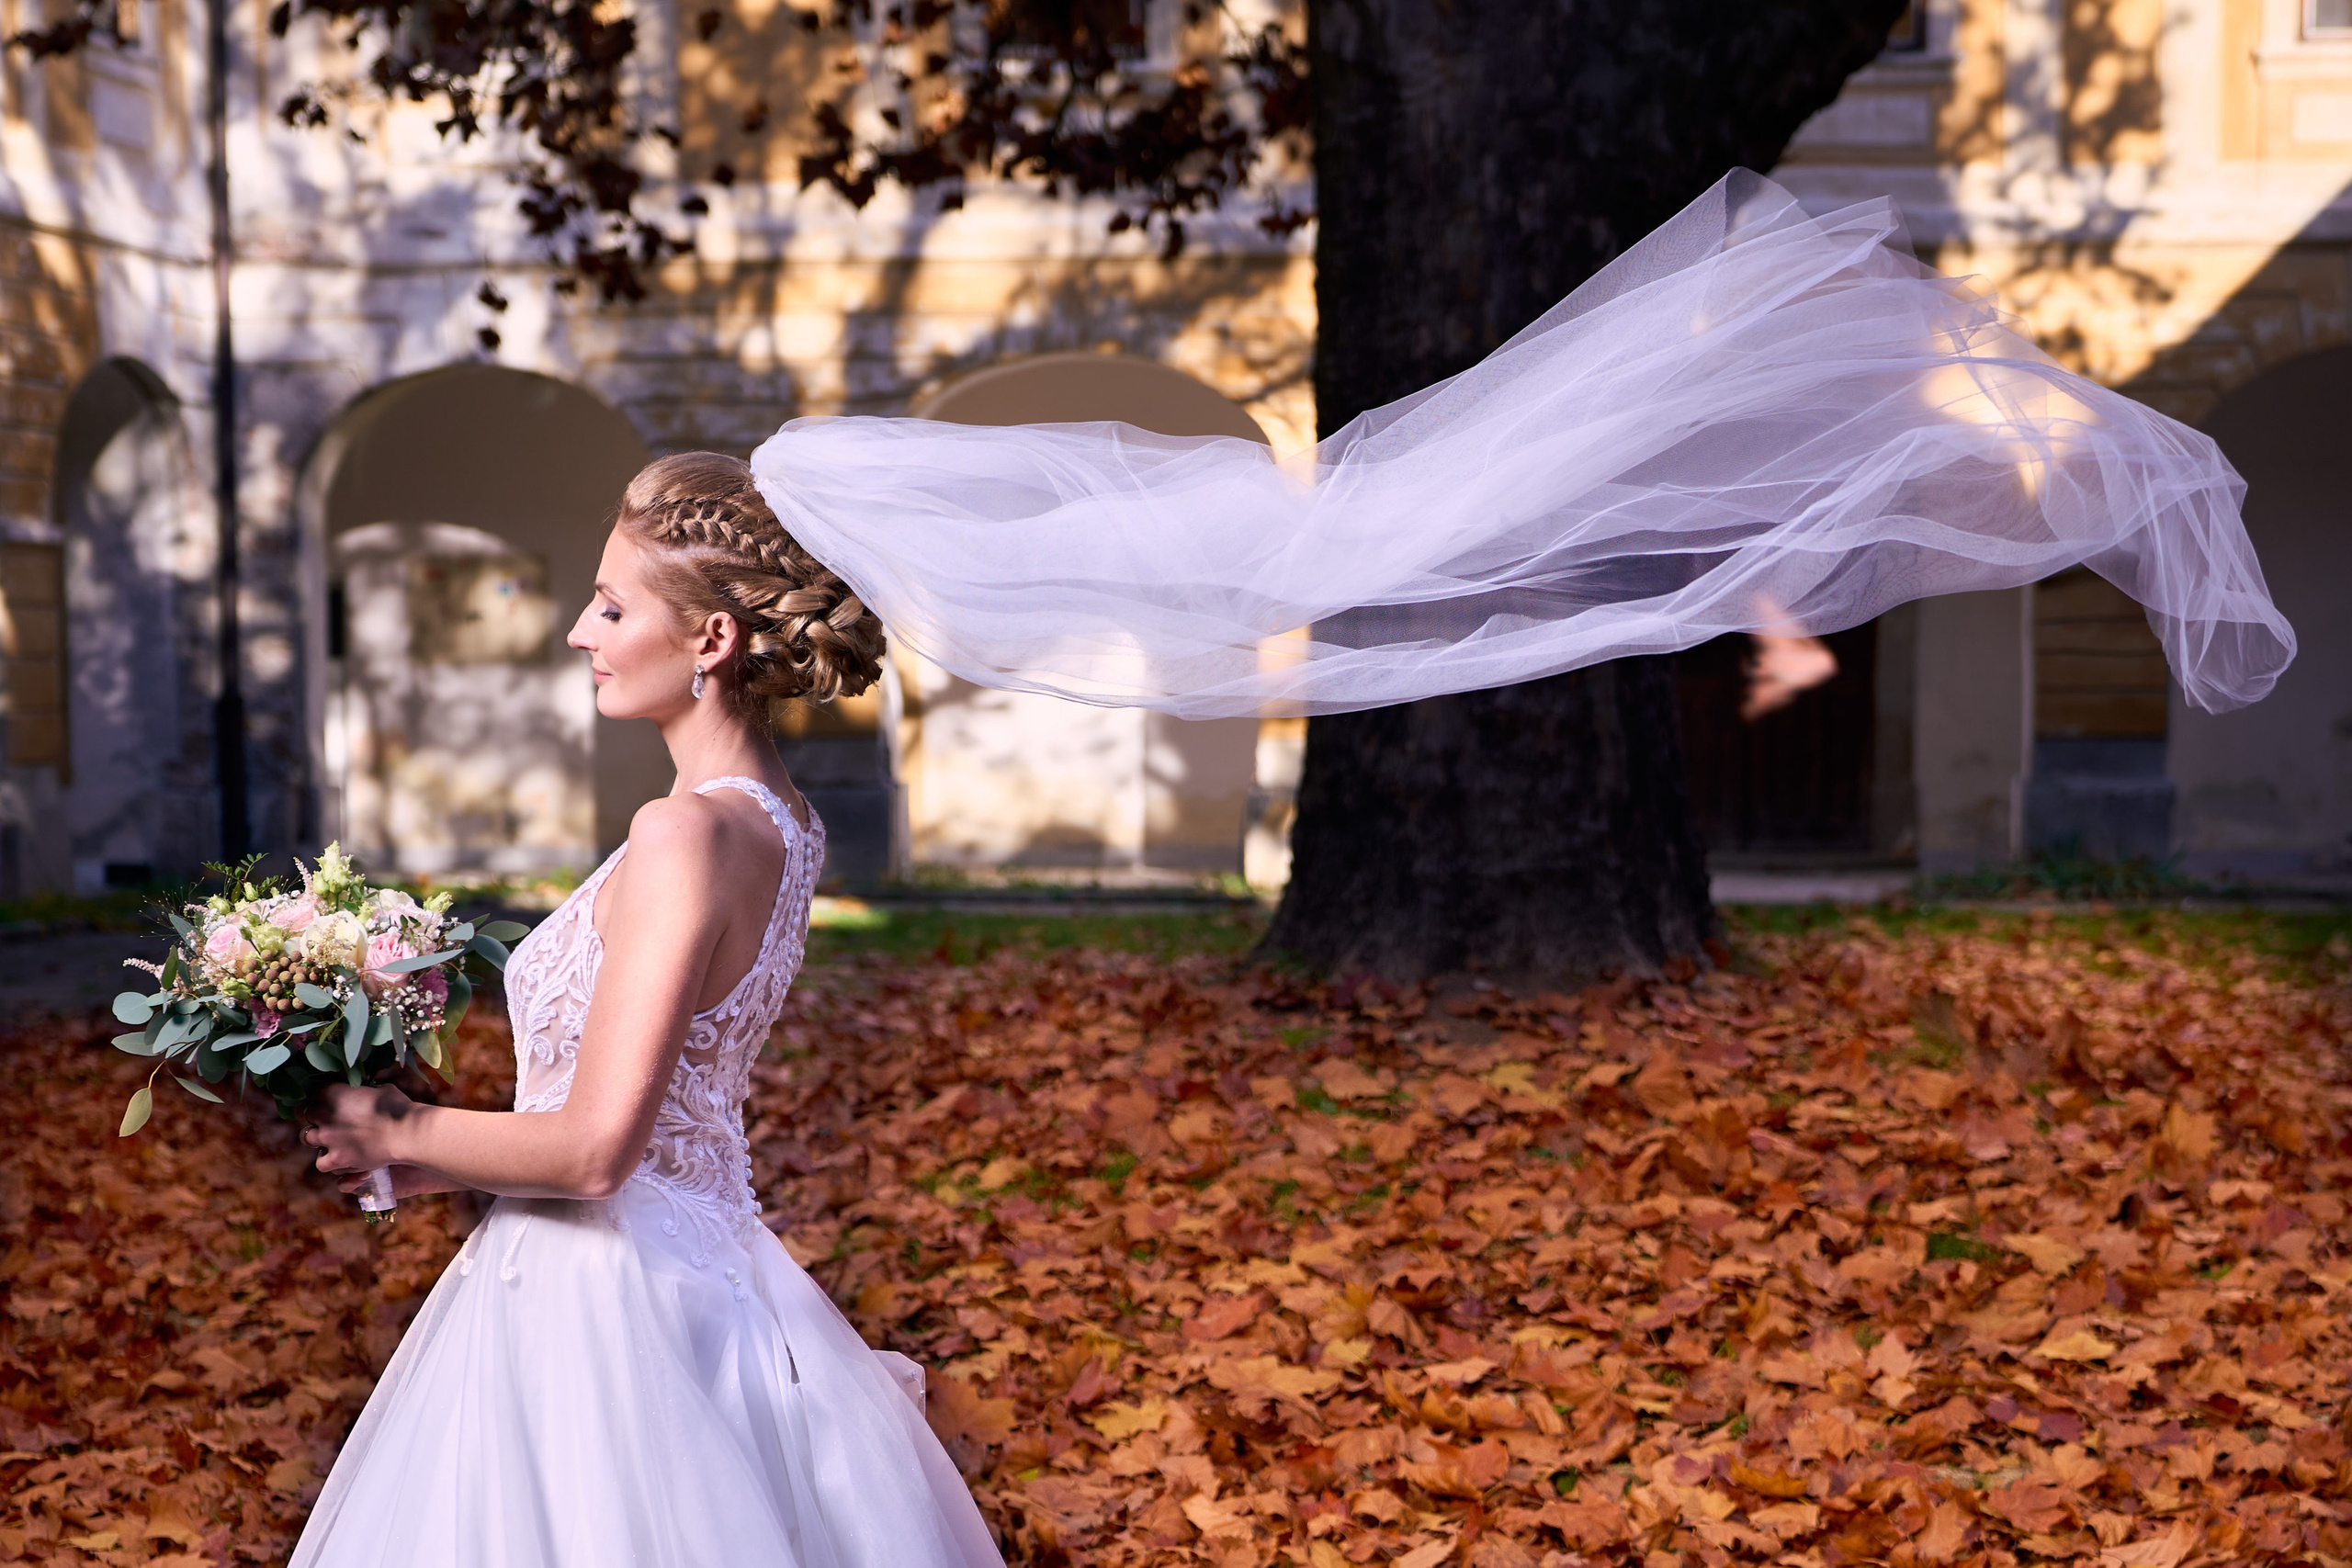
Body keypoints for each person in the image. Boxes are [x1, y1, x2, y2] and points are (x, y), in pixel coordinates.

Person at [295, 453, 1003, 1568]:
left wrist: (394, 1127)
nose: (581, 631)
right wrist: (438, 1162)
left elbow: (594, 1155)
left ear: (711, 641)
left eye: (612, 605)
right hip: (702, 1260)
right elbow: (660, 1110)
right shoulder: (785, 822)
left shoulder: (684, 834)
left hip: (606, 1304)